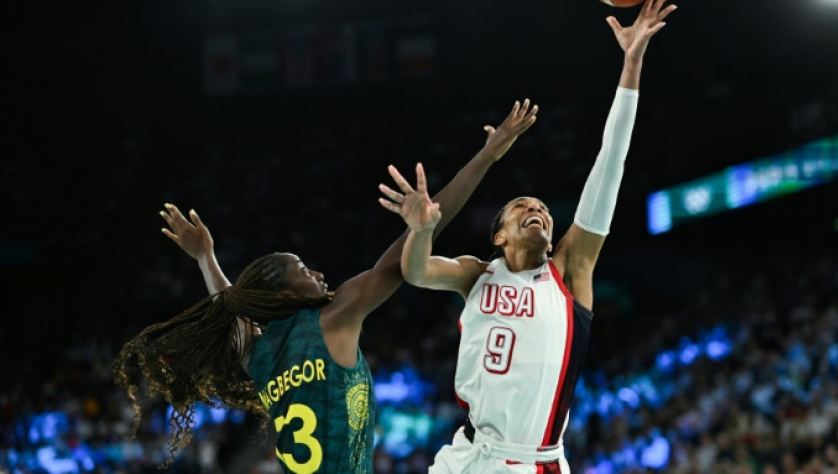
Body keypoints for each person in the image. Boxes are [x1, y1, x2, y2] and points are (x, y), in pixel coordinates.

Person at [113, 98, 539, 473]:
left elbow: (231, 308)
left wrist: (206, 258)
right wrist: (485, 158)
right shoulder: (334, 317)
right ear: (282, 293)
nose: (317, 273)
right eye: (302, 269)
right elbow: (417, 238)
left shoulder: (258, 356)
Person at [377, 0, 676, 473]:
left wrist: (631, 65)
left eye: (542, 209)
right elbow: (414, 271)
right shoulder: (475, 275)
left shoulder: (570, 271)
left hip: (534, 463)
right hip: (465, 457)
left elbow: (611, 160)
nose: (536, 209)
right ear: (499, 236)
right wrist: (422, 229)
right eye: (522, 207)